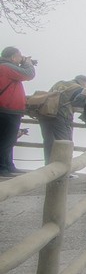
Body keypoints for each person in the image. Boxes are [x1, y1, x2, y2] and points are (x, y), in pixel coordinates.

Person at [37, 75, 86, 164]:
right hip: (61, 116)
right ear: (83, 82)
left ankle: (48, 167)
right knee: (64, 143)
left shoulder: (60, 83)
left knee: (49, 141)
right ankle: (62, 170)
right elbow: (79, 103)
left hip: (45, 114)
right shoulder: (77, 88)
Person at [0, 47, 37, 177]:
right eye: (19, 56)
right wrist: (27, 62)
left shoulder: (4, 67)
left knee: (7, 139)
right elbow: (29, 74)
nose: (20, 58)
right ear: (13, 57)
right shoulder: (6, 67)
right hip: (8, 109)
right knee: (7, 139)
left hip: (6, 109)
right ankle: (3, 168)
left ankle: (8, 166)